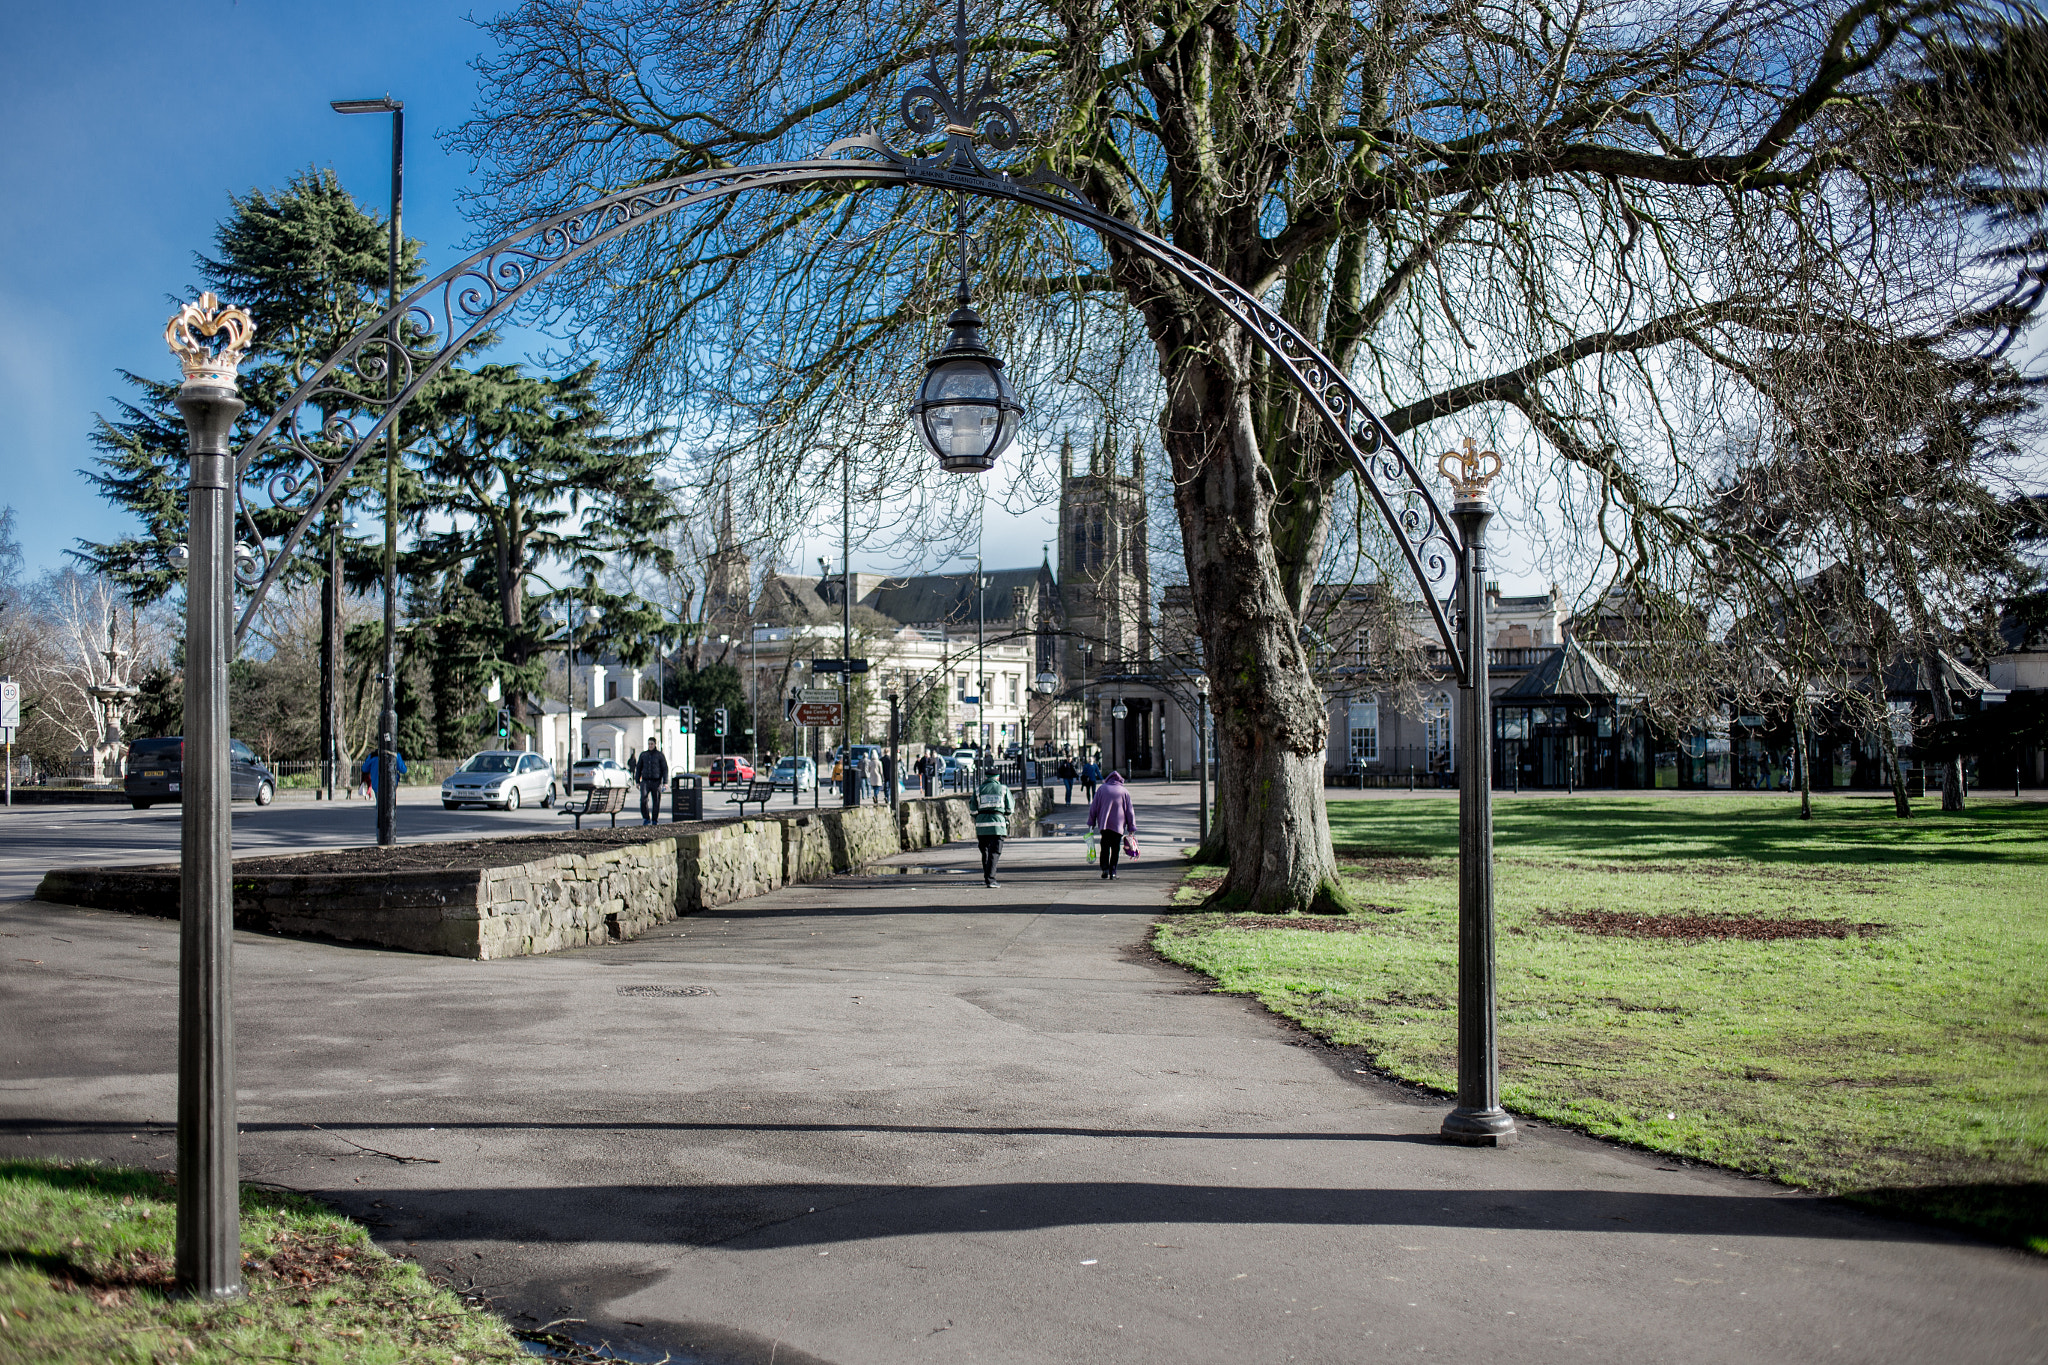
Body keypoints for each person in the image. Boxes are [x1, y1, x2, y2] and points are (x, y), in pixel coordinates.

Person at [1087, 770, 1136, 880]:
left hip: (1104, 825)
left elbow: (1093, 808)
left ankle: (1104, 868)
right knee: (1115, 849)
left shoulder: (1101, 789)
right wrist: (1131, 827)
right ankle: (1112, 872)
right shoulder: (1124, 792)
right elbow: (1130, 811)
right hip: (1118, 826)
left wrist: (1091, 822)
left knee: (1104, 847)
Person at [972, 768, 1014, 888]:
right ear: (997, 778)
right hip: (998, 826)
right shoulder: (1003, 789)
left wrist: (981, 816)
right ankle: (991, 879)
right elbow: (1010, 809)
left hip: (981, 826)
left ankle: (988, 877)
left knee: (985, 852)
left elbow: (973, 810)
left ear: (986, 778)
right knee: (994, 852)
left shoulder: (978, 790)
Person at [633, 737, 669, 825]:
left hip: (656, 781)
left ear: (655, 744)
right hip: (645, 781)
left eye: (652, 744)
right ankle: (646, 818)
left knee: (656, 801)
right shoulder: (643, 755)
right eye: (649, 744)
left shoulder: (660, 755)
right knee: (643, 800)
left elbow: (665, 768)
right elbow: (638, 768)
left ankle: (654, 819)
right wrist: (637, 781)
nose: (650, 745)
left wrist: (665, 782)